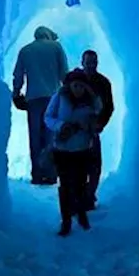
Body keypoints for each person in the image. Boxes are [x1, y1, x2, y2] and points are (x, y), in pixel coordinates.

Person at [44, 69, 102, 236]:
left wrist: (88, 125)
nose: (78, 89)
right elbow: (48, 117)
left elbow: (98, 110)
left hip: (83, 148)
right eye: (75, 85)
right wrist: (60, 125)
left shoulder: (90, 100)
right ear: (69, 85)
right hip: (62, 148)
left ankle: (81, 214)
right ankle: (67, 220)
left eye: (81, 86)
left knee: (81, 183)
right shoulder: (60, 97)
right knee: (65, 185)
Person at [12, 26, 69, 185]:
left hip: (33, 98)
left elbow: (18, 74)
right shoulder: (56, 47)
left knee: (35, 137)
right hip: (53, 97)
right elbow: (64, 73)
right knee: (51, 135)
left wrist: (16, 93)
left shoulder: (26, 50)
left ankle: (37, 174)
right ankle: (51, 173)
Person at [79, 49, 114, 210]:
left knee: (94, 166)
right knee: (78, 165)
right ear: (82, 62)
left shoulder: (103, 82)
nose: (91, 65)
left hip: (93, 130)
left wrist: (101, 124)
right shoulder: (75, 81)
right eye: (88, 62)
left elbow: (109, 107)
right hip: (76, 131)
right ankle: (79, 197)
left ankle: (89, 195)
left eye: (94, 62)